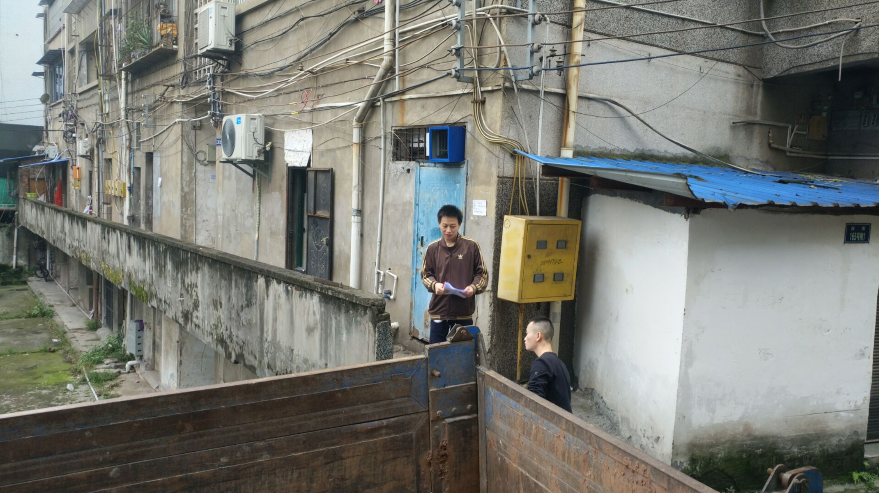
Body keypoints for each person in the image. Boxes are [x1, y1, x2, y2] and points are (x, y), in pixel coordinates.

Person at [421, 204, 488, 344]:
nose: (448, 230)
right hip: (439, 310)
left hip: (463, 312)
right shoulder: (432, 248)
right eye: (444, 226)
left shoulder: (471, 246)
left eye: (453, 226)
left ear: (459, 225)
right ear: (439, 224)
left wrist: (473, 287)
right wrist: (435, 285)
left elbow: (482, 274)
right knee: (437, 350)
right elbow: (426, 274)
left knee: (462, 351)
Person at [524, 316, 572, 412]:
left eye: (527, 333)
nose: (525, 338)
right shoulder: (560, 363)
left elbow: (534, 403)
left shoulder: (542, 363)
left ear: (538, 336)